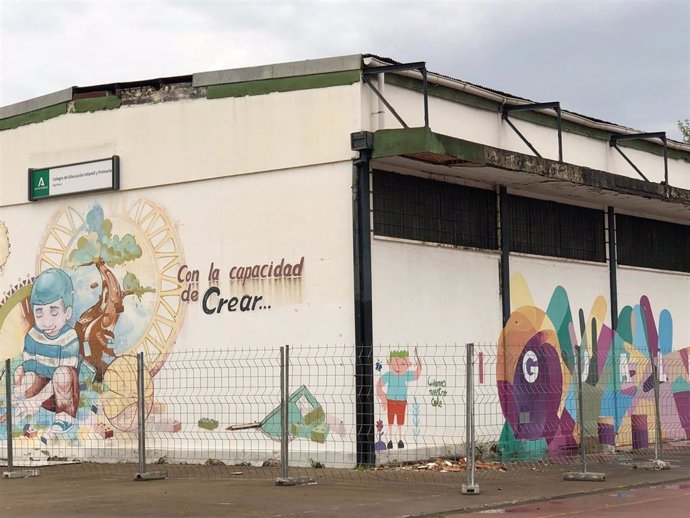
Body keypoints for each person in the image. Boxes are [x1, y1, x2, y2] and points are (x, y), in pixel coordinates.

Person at [13, 268, 80, 441]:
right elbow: (29, 371)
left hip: (62, 394)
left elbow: (64, 376)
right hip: (41, 394)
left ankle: (64, 418)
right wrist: (20, 391)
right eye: (39, 313)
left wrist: (36, 399)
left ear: (67, 313)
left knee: (63, 373)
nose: (47, 321)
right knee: (19, 371)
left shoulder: (69, 338)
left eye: (54, 311)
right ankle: (26, 411)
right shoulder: (33, 336)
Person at [376, 347, 422, 449]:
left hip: (402, 401)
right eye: (394, 364)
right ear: (390, 364)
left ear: (407, 365)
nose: (398, 367)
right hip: (391, 400)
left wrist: (418, 359)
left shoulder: (405, 375)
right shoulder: (388, 375)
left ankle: (400, 440)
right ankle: (391, 440)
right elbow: (379, 385)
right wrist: (383, 397)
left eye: (402, 364)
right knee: (391, 421)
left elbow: (417, 374)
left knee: (400, 421)